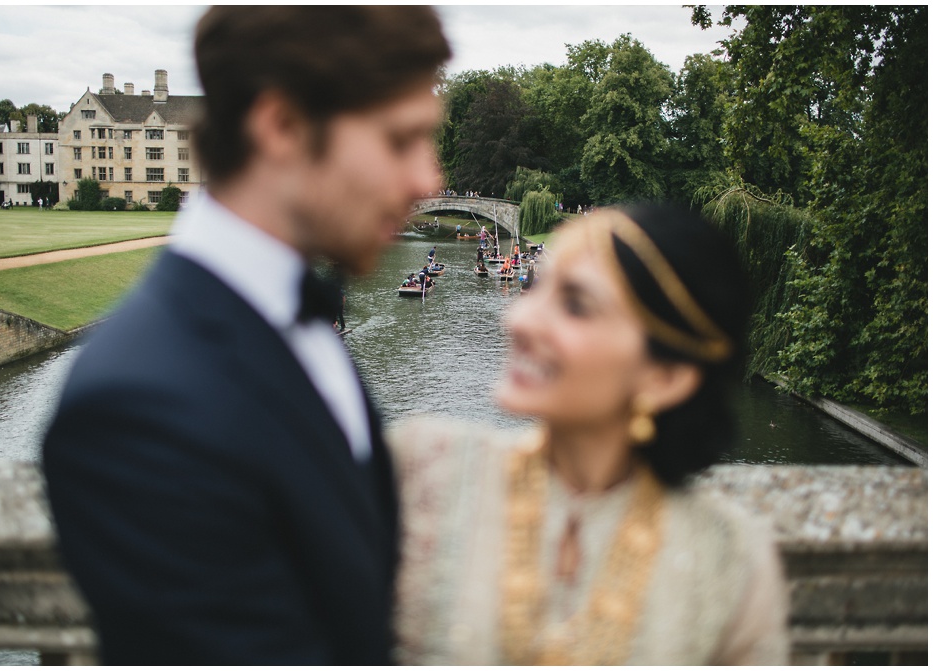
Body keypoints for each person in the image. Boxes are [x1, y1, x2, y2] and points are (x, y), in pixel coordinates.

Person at [43, 6, 450, 665]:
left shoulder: (289, 313)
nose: (428, 179)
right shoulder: (135, 409)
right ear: (282, 124)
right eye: (400, 141)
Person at [388, 204, 789, 665]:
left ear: (665, 375)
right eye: (538, 287)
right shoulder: (420, 469)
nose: (517, 321)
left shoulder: (733, 566)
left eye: (576, 305)